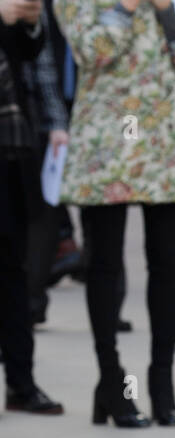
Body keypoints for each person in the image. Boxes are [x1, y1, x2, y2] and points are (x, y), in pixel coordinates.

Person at [54, 0, 175, 427]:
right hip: (106, 137)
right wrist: (125, 6)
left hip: (163, 136)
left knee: (168, 261)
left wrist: (165, 11)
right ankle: (112, 382)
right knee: (103, 262)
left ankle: (161, 383)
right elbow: (92, 50)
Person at [0, 0, 63, 414]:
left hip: (10, 145)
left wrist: (27, 23)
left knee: (11, 268)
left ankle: (21, 384)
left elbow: (28, 54)